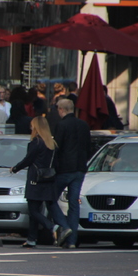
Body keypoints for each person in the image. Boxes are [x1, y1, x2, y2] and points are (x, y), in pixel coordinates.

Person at [10, 116, 72, 248]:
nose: (30, 127)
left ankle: (53, 227)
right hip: (48, 179)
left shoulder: (36, 142)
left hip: (35, 179)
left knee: (33, 210)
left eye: (32, 125)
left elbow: (28, 160)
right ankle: (32, 239)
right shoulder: (52, 143)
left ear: (37, 127)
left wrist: (15, 168)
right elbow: (56, 163)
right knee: (36, 210)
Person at [53, 98, 91, 249]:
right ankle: (72, 241)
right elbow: (88, 147)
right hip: (79, 169)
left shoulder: (61, 125)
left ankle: (64, 226)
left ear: (61, 109)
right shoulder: (83, 124)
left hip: (64, 169)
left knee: (50, 199)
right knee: (74, 204)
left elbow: (58, 148)